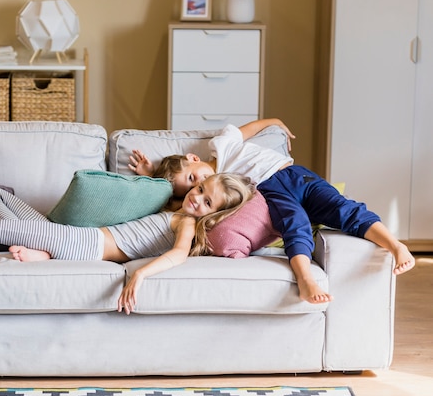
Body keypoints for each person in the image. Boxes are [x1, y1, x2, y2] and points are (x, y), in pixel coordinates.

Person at [0, 173, 255, 315]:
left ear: (213, 215)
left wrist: (140, 277)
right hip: (71, 239)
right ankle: (43, 251)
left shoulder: (187, 222)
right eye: (200, 188)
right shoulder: (177, 206)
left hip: (82, 245)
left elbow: (177, 254)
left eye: (207, 201)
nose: (196, 198)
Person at [129, 118, 415, 304]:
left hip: (295, 175)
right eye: (192, 187)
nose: (201, 184)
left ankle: (395, 245)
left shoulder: (221, 147)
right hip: (270, 191)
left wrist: (275, 123)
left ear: (194, 158)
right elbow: (181, 203)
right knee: (296, 225)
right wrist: (151, 173)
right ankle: (305, 279)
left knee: (342, 207)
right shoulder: (219, 193)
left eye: (194, 177)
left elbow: (247, 130)